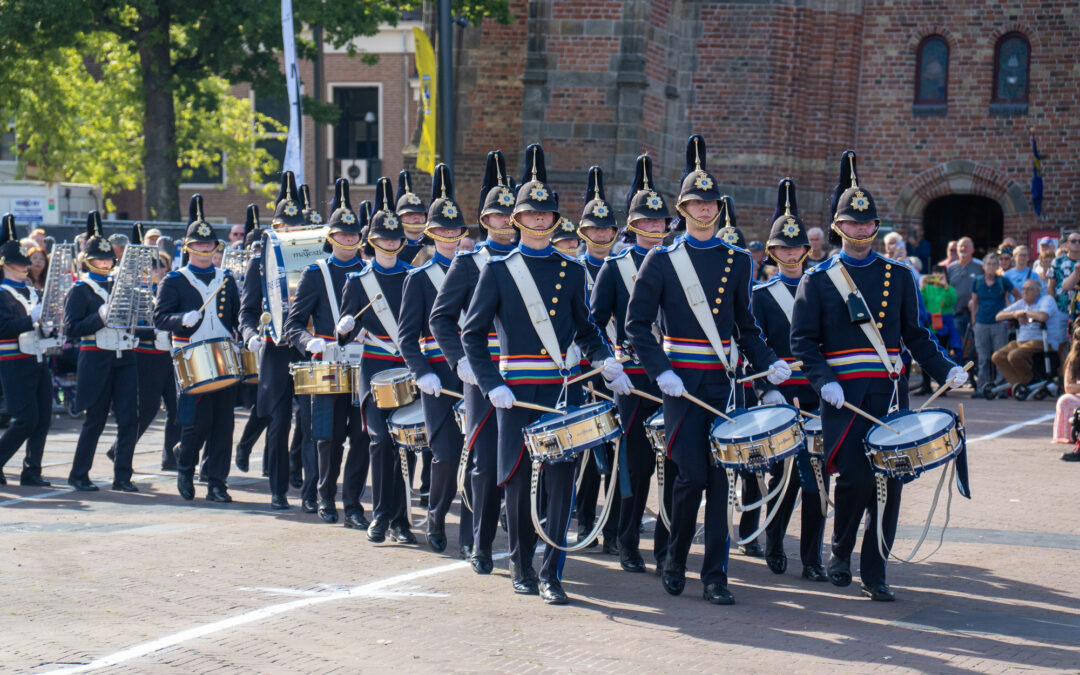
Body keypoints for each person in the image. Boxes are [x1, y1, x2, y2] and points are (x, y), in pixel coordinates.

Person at [790, 150, 964, 602]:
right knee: (855, 479)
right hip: (841, 396)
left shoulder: (899, 275)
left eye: (868, 224)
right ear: (837, 227)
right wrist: (821, 378)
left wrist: (947, 368)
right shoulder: (819, 277)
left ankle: (877, 569)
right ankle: (841, 548)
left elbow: (917, 336)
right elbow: (804, 342)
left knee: (890, 480)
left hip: (888, 393)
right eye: (852, 223)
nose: (862, 230)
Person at [461, 143, 629, 605]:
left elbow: (587, 327)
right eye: (531, 214)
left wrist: (603, 358)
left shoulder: (571, 271)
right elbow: (472, 335)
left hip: (558, 389)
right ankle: (520, 565)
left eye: (545, 215)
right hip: (514, 391)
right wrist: (490, 383)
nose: (539, 220)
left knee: (561, 480)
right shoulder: (496, 271)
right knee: (516, 481)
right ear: (516, 219)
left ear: (555, 220)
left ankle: (552, 570)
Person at [626, 135, 789, 606]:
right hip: (680, 386)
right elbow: (637, 327)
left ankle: (715, 575)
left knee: (721, 483)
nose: (703, 210)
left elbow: (746, 326)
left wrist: (769, 364)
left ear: (718, 208)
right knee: (690, 477)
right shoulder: (661, 259)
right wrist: (660, 371)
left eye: (710, 203)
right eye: (695, 204)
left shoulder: (737, 260)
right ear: (682, 208)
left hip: (722, 384)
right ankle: (675, 557)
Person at [429, 149, 519, 575]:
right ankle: (479, 541)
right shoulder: (468, 262)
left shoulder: (531, 258)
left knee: (521, 461)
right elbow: (441, 319)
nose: (505, 222)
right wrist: (459, 360)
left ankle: (520, 543)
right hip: (482, 374)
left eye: (510, 215)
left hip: (526, 372)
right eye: (498, 216)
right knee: (483, 462)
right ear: (485, 220)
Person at [591, 154, 670, 574]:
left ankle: (666, 547)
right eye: (648, 223)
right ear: (633, 226)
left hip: (673, 375)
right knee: (634, 465)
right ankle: (625, 540)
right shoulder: (614, 267)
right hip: (632, 377)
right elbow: (593, 322)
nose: (655, 229)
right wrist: (610, 362)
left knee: (673, 464)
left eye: (660, 223)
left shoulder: (677, 262)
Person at [751, 179, 829, 583]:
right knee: (782, 478)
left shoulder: (823, 287)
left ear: (806, 250)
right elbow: (752, 348)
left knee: (817, 483)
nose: (791, 254)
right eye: (782, 248)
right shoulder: (761, 295)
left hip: (817, 391)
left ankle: (813, 557)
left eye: (796, 247)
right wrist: (767, 392)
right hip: (781, 395)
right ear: (773, 252)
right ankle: (775, 541)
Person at [284, 179, 370, 529]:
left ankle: (352, 503)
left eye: (354, 236)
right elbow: (293, 324)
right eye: (343, 235)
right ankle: (324, 496)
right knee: (327, 436)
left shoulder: (369, 272)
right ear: (331, 237)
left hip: (365, 363)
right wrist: (308, 342)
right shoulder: (316, 273)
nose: (349, 240)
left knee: (362, 437)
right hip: (328, 363)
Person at [337, 177, 418, 546]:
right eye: (384, 239)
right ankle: (381, 514)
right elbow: (344, 333)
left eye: (395, 239)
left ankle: (400, 520)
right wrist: (345, 326)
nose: (390, 244)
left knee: (408, 441)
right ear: (373, 241)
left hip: (409, 366)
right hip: (373, 370)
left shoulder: (413, 278)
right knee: (381, 441)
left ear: (402, 241)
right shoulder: (357, 282)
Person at [398, 164, 474, 555]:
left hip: (476, 370)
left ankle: (472, 533)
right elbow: (406, 336)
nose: (449, 235)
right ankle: (437, 513)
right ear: (431, 233)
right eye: (441, 230)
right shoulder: (419, 276)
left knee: (476, 453)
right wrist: (421, 371)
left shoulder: (479, 271)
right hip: (438, 376)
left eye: (454, 229)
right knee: (444, 456)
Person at [154, 195, 241, 503]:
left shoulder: (226, 278)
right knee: (194, 424)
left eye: (209, 245)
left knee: (223, 425)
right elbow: (159, 318)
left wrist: (246, 334)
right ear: (188, 247)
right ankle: (185, 469)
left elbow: (235, 317)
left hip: (222, 357)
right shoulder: (175, 280)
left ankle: (217, 482)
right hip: (190, 360)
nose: (205, 250)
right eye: (199, 245)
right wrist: (181, 318)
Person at [239, 171, 308, 510]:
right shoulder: (260, 264)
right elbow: (247, 311)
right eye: (284, 228)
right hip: (277, 352)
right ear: (275, 228)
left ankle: (311, 490)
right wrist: (251, 335)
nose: (289, 233)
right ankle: (279, 489)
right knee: (279, 423)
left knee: (311, 422)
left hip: (309, 351)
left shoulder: (315, 261)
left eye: (295, 228)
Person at [64, 212, 139, 492]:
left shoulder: (121, 287)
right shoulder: (80, 290)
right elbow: (72, 329)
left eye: (109, 259)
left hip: (124, 357)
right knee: (95, 419)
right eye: (100, 259)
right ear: (88, 261)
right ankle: (79, 473)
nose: (106, 263)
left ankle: (123, 476)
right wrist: (99, 315)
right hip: (96, 357)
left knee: (129, 418)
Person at [574, 166, 622, 554]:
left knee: (618, 451)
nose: (602, 235)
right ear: (583, 233)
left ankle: (615, 528)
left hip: (617, 365)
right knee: (589, 450)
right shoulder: (573, 268)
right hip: (583, 369)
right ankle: (586, 520)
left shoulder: (624, 267)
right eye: (595, 229)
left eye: (607, 230)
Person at [107, 225, 180, 471]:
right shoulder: (136, 292)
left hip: (170, 354)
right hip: (146, 354)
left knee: (177, 406)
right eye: (152, 265)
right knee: (147, 408)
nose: (156, 269)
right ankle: (119, 449)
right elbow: (129, 324)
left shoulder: (170, 290)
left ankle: (171, 457)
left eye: (161, 265)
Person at [0, 214, 52, 487]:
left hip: (38, 357)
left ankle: (32, 470)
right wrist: (31, 319)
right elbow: (3, 328)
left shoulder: (32, 291)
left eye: (25, 263)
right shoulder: (2, 292)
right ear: (5, 265)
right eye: (18, 263)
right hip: (13, 360)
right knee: (25, 418)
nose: (24, 267)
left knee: (43, 418)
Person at [991, 279, 1057, 388]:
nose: (1025, 292)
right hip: (1021, 340)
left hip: (1042, 340)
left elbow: (1043, 316)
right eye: (1023, 289)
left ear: (1038, 291)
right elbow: (998, 316)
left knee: (1014, 355)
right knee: (997, 356)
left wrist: (1025, 312)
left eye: (1029, 289)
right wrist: (1015, 314)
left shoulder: (1047, 300)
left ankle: (1028, 381)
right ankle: (1019, 383)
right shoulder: (1022, 303)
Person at [970, 252, 1019, 395]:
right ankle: (982, 388)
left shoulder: (1003, 281)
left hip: (999, 323)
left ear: (997, 266)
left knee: (999, 357)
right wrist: (974, 322)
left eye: (994, 264)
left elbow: (1017, 295)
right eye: (988, 264)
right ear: (983, 266)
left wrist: (1009, 312)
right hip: (981, 323)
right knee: (983, 358)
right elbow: (974, 303)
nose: (991, 267)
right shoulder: (977, 282)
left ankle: (1001, 388)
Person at [918, 272, 961, 392]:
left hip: (944, 328)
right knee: (925, 354)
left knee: (943, 355)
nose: (937, 278)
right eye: (935, 275)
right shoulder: (927, 288)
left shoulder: (949, 289)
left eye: (940, 276)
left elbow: (951, 301)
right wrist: (922, 286)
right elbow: (920, 301)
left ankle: (943, 385)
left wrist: (946, 286)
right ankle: (926, 385)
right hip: (929, 326)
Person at [948, 237, 982, 360]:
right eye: (961, 246)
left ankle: (968, 363)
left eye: (966, 246)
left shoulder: (979, 266)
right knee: (957, 338)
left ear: (972, 249)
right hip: (955, 310)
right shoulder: (951, 267)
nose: (963, 248)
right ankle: (958, 364)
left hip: (974, 310)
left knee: (971, 340)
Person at [1053, 326, 1080, 452]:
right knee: (1065, 400)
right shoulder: (1073, 360)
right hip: (1078, 395)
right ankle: (1066, 435)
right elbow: (1068, 387)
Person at [396, 170, 431, 266]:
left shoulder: (433, 246)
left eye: (420, 213)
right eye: (409, 214)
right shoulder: (393, 249)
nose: (416, 217)